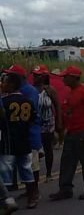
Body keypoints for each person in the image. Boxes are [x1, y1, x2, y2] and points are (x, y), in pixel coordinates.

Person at [49, 66, 84, 201]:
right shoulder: (70, 92)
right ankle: (65, 189)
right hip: (71, 132)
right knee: (66, 162)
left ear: (74, 77)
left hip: (83, 132)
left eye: (65, 76)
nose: (63, 78)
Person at [1, 67, 39, 209]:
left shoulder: (3, 102)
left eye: (4, 82)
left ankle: (6, 201)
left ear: (10, 85)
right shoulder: (27, 101)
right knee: (26, 170)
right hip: (25, 141)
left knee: (5, 173)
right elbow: (33, 119)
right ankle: (32, 197)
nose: (2, 84)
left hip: (8, 143)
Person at [32, 65, 63, 182]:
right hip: (35, 125)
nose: (35, 77)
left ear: (44, 76)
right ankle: (35, 175)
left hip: (48, 124)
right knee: (34, 151)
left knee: (48, 148)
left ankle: (49, 173)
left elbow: (57, 106)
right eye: (34, 74)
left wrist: (59, 122)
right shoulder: (32, 90)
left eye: (38, 75)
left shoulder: (50, 90)